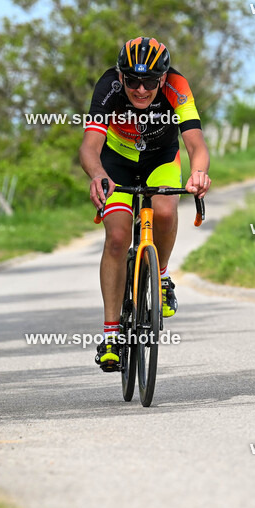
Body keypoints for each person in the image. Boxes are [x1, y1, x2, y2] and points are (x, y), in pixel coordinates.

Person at [78, 36, 211, 371]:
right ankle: (111, 336)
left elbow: (195, 144)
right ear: (121, 76)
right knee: (118, 237)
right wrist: (97, 175)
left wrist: (197, 174)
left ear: (162, 79)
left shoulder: (177, 86)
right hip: (117, 161)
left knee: (165, 209)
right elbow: (90, 147)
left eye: (149, 82)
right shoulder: (108, 85)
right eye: (132, 80)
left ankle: (162, 278)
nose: (140, 89)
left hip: (161, 160)